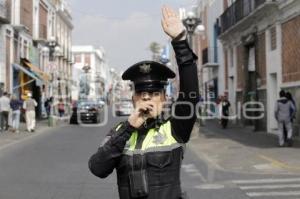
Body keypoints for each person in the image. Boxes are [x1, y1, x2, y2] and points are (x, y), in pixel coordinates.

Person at [88, 6, 199, 199]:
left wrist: (180, 42)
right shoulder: (119, 132)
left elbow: (190, 94)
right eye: (141, 93)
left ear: (164, 99)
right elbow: (98, 168)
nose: (147, 97)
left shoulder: (174, 129)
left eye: (154, 93)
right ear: (133, 99)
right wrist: (129, 128)